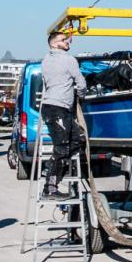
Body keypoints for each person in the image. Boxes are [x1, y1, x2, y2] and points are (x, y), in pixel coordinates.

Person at [40, 31, 87, 199]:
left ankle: (55, 171)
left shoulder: (46, 60)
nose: (67, 42)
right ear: (53, 43)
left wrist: (66, 37)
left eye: (68, 40)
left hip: (53, 107)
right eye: (63, 40)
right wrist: (82, 96)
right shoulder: (69, 60)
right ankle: (50, 187)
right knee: (62, 147)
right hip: (58, 108)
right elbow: (81, 82)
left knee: (76, 140)